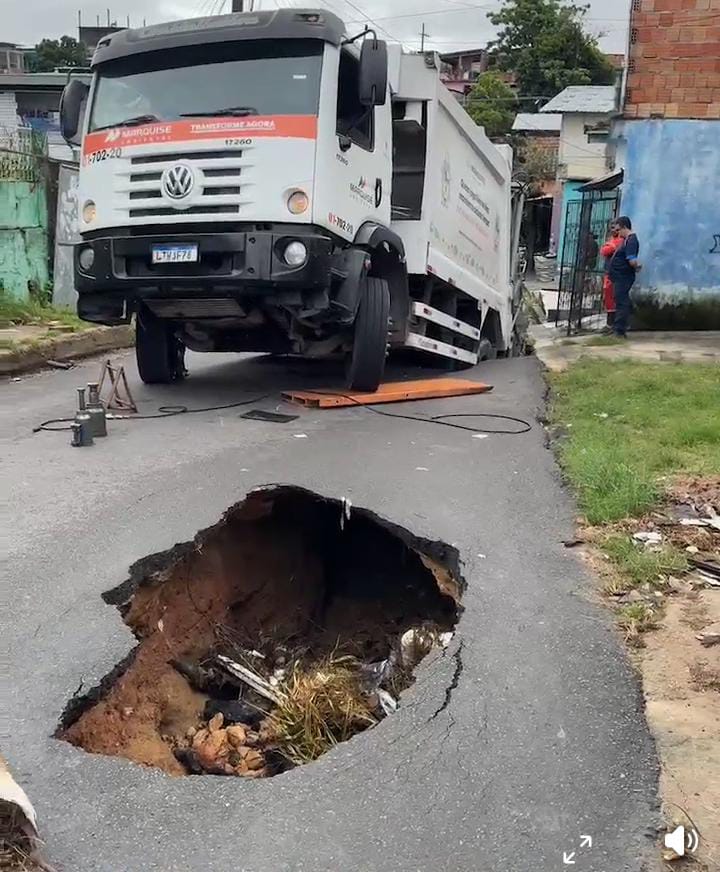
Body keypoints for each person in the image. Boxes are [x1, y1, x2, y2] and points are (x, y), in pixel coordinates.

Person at [608, 216, 641, 338]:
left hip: (623, 277)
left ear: (624, 227)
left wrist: (637, 265)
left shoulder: (631, 240)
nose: (617, 233)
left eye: (618, 229)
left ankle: (619, 330)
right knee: (620, 301)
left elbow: (632, 260)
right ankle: (619, 327)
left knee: (622, 302)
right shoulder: (627, 240)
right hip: (620, 276)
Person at [600, 221, 623, 330]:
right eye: (612, 228)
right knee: (608, 296)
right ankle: (610, 324)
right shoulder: (612, 241)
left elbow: (606, 250)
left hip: (615, 273)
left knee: (614, 297)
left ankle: (613, 324)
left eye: (616, 229)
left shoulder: (621, 241)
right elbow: (603, 251)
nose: (613, 230)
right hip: (608, 272)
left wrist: (610, 246)